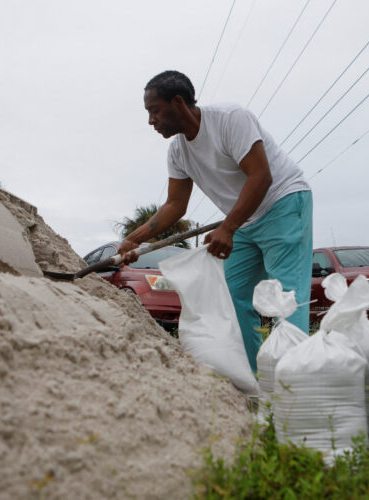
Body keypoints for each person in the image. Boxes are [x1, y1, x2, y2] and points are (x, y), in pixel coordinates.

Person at [119, 70, 312, 371]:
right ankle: (253, 381)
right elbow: (175, 205)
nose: (151, 121)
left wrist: (228, 227)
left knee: (287, 295)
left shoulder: (230, 119)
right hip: (244, 220)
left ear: (178, 102)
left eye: (154, 111)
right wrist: (136, 238)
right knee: (234, 300)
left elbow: (261, 175)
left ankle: (300, 383)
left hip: (281, 203)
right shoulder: (178, 151)